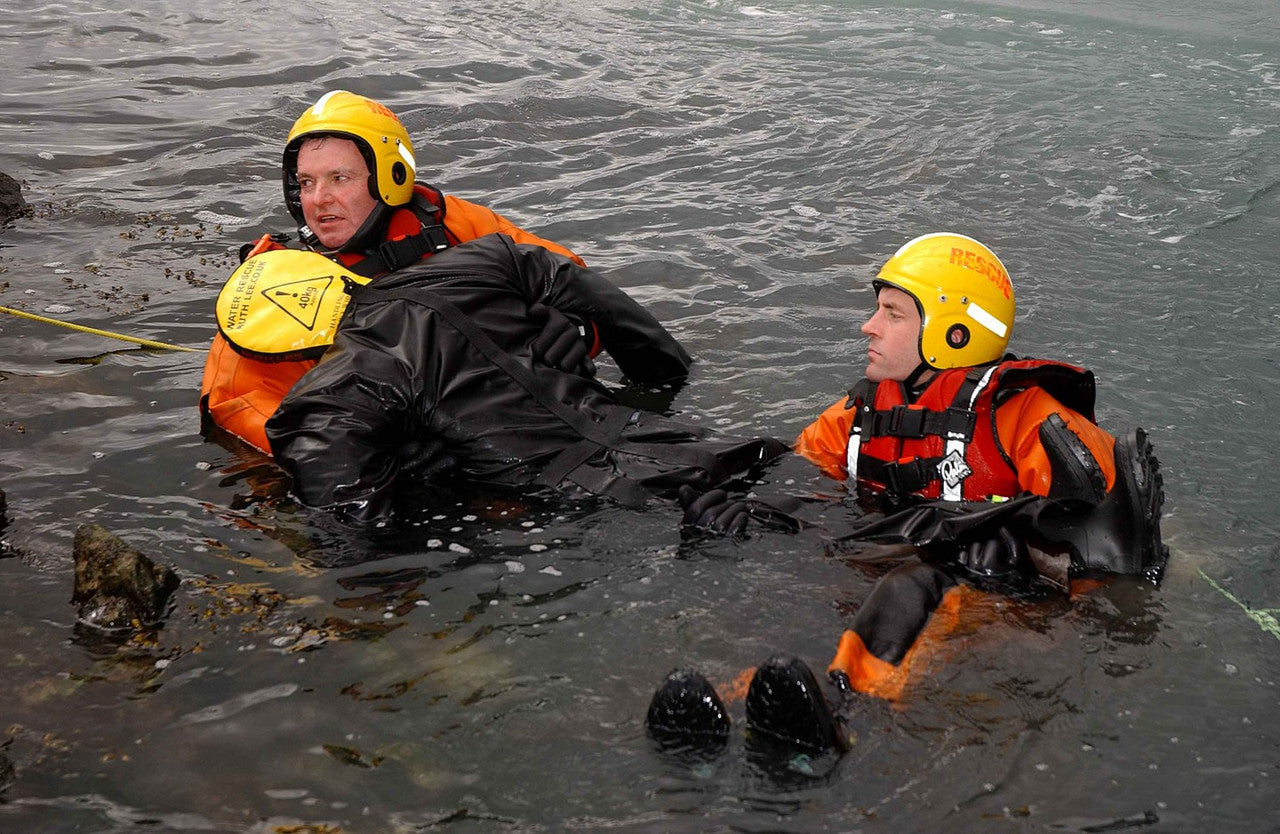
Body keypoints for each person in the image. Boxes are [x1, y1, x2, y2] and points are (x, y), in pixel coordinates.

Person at [649, 232, 1168, 755]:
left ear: (955, 333)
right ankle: (737, 698)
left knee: (911, 586)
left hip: (985, 597)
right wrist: (747, 516)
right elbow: (800, 481)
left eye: (892, 314)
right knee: (819, 580)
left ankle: (844, 714)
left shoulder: (1034, 421)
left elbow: (1109, 539)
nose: (869, 325)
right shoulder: (858, 416)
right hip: (893, 573)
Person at [257, 233, 789, 526]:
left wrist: (425, 482)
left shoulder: (330, 395)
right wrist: (666, 391)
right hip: (688, 444)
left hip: (596, 511)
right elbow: (623, 319)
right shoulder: (485, 257)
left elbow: (358, 536)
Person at [200, 90, 595, 454]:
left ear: (392, 177)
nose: (318, 200)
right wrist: (370, 448)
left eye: (339, 178)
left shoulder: (456, 225)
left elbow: (576, 281)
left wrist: (578, 330)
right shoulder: (273, 293)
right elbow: (237, 406)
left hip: (530, 423)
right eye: (305, 183)